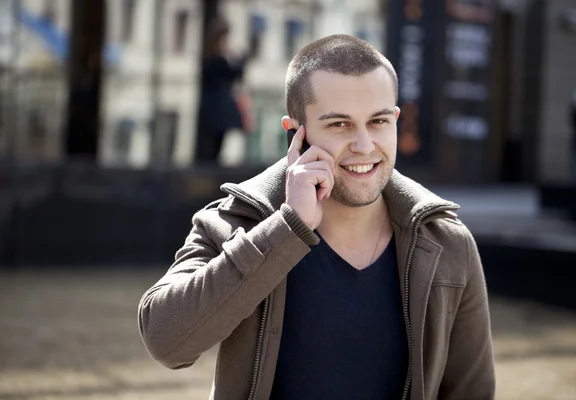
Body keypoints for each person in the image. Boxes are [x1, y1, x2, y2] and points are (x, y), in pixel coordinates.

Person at [138, 35, 495, 400]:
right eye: (339, 124)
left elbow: (472, 392)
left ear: (395, 120)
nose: (364, 145)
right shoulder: (237, 222)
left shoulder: (447, 242)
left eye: (378, 121)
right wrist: (287, 229)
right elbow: (167, 343)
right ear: (296, 134)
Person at [195, 17, 248, 164]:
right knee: (214, 143)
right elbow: (234, 74)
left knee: (214, 143)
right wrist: (241, 59)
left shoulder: (210, 54)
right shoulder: (216, 57)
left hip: (213, 105)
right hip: (217, 106)